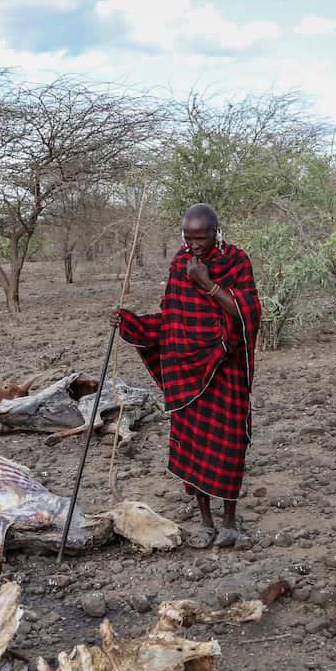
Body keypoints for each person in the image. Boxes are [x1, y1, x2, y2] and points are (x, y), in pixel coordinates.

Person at [110, 203, 261, 549]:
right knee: (194, 447)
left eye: (202, 237)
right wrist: (131, 323)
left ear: (217, 232)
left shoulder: (237, 261)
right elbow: (172, 318)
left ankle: (229, 522)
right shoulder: (180, 263)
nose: (195, 245)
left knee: (229, 445)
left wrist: (206, 283)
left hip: (225, 366)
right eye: (189, 238)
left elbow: (247, 314)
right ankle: (205, 522)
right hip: (186, 372)